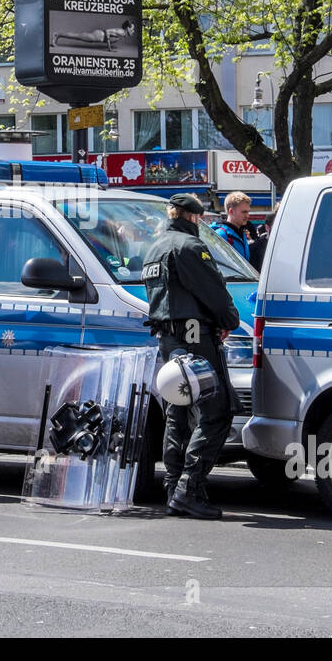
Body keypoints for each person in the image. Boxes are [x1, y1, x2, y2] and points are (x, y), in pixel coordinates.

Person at [142, 193, 240, 519]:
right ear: (194, 217)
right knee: (217, 411)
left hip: (170, 339)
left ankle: (173, 490)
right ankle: (188, 488)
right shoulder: (188, 247)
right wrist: (229, 321)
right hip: (196, 338)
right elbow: (214, 292)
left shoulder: (155, 248)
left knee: (178, 412)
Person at [209, 191, 266, 269]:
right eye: (244, 212)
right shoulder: (221, 235)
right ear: (231, 211)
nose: (247, 215)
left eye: (248, 212)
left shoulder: (241, 234)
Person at [52, 19, 136, 52]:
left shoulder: (122, 33)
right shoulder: (121, 32)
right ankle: (57, 34)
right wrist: (109, 48)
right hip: (97, 36)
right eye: (132, 29)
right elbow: (108, 32)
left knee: (78, 36)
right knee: (77, 36)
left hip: (98, 36)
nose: (133, 31)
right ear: (127, 28)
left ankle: (58, 35)